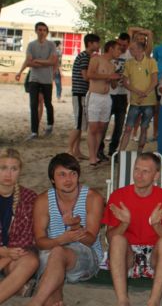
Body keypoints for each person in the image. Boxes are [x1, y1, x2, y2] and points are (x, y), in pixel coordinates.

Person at [102, 152, 162, 306]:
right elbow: (110, 238)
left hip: (156, 258)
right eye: (136, 170)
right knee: (117, 240)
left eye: (145, 171)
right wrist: (124, 224)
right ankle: (123, 301)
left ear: (156, 175)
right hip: (127, 256)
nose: (139, 175)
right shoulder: (118, 196)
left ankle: (153, 302)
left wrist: (157, 225)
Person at [29, 153, 104, 306]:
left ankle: (35, 303)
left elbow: (90, 240)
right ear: (52, 179)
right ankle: (55, 300)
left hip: (85, 256)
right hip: (51, 253)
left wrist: (75, 227)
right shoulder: (43, 200)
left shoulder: (92, 198)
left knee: (57, 253)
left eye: (73, 173)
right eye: (62, 175)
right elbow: (40, 242)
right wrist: (60, 240)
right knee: (54, 258)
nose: (68, 179)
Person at [0, 149, 39, 303]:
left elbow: (27, 239)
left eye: (14, 169)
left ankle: (13, 286)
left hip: (15, 254)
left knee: (31, 261)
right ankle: (17, 287)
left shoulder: (29, 197)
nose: (8, 174)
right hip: (5, 253)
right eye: (3, 168)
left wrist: (7, 255)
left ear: (20, 171)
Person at [15, 22, 57, 140]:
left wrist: (37, 61)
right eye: (39, 29)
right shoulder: (31, 45)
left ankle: (50, 124)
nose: (42, 32)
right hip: (34, 78)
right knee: (33, 105)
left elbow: (52, 61)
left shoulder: (51, 45)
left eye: (44, 30)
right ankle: (34, 131)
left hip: (47, 79)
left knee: (48, 103)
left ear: (47, 32)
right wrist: (20, 71)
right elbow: (28, 61)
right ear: (36, 31)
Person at [86, 40, 122, 167]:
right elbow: (89, 74)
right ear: (110, 49)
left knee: (101, 127)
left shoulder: (112, 65)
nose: (120, 52)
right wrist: (108, 76)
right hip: (95, 96)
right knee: (93, 127)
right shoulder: (96, 59)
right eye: (118, 49)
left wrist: (116, 78)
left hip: (107, 97)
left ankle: (95, 155)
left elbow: (113, 85)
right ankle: (91, 157)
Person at [119, 41, 158, 154]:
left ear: (140, 50)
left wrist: (145, 93)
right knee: (128, 128)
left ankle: (139, 154)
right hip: (135, 101)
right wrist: (137, 92)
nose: (130, 50)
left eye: (132, 48)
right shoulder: (129, 63)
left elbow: (155, 81)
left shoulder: (151, 62)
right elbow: (125, 82)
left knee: (144, 128)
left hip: (149, 102)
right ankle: (120, 153)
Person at [99, 32, 133, 159]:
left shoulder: (130, 55)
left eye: (124, 45)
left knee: (119, 126)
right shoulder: (111, 53)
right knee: (104, 124)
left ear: (128, 44)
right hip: (109, 94)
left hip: (123, 95)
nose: (122, 47)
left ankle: (113, 151)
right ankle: (99, 150)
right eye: (120, 44)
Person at [67, 34, 100, 159]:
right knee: (78, 124)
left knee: (81, 125)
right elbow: (86, 76)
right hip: (79, 93)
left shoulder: (87, 56)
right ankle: (69, 150)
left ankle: (76, 150)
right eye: (97, 43)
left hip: (82, 94)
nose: (99, 45)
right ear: (90, 43)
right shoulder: (85, 57)